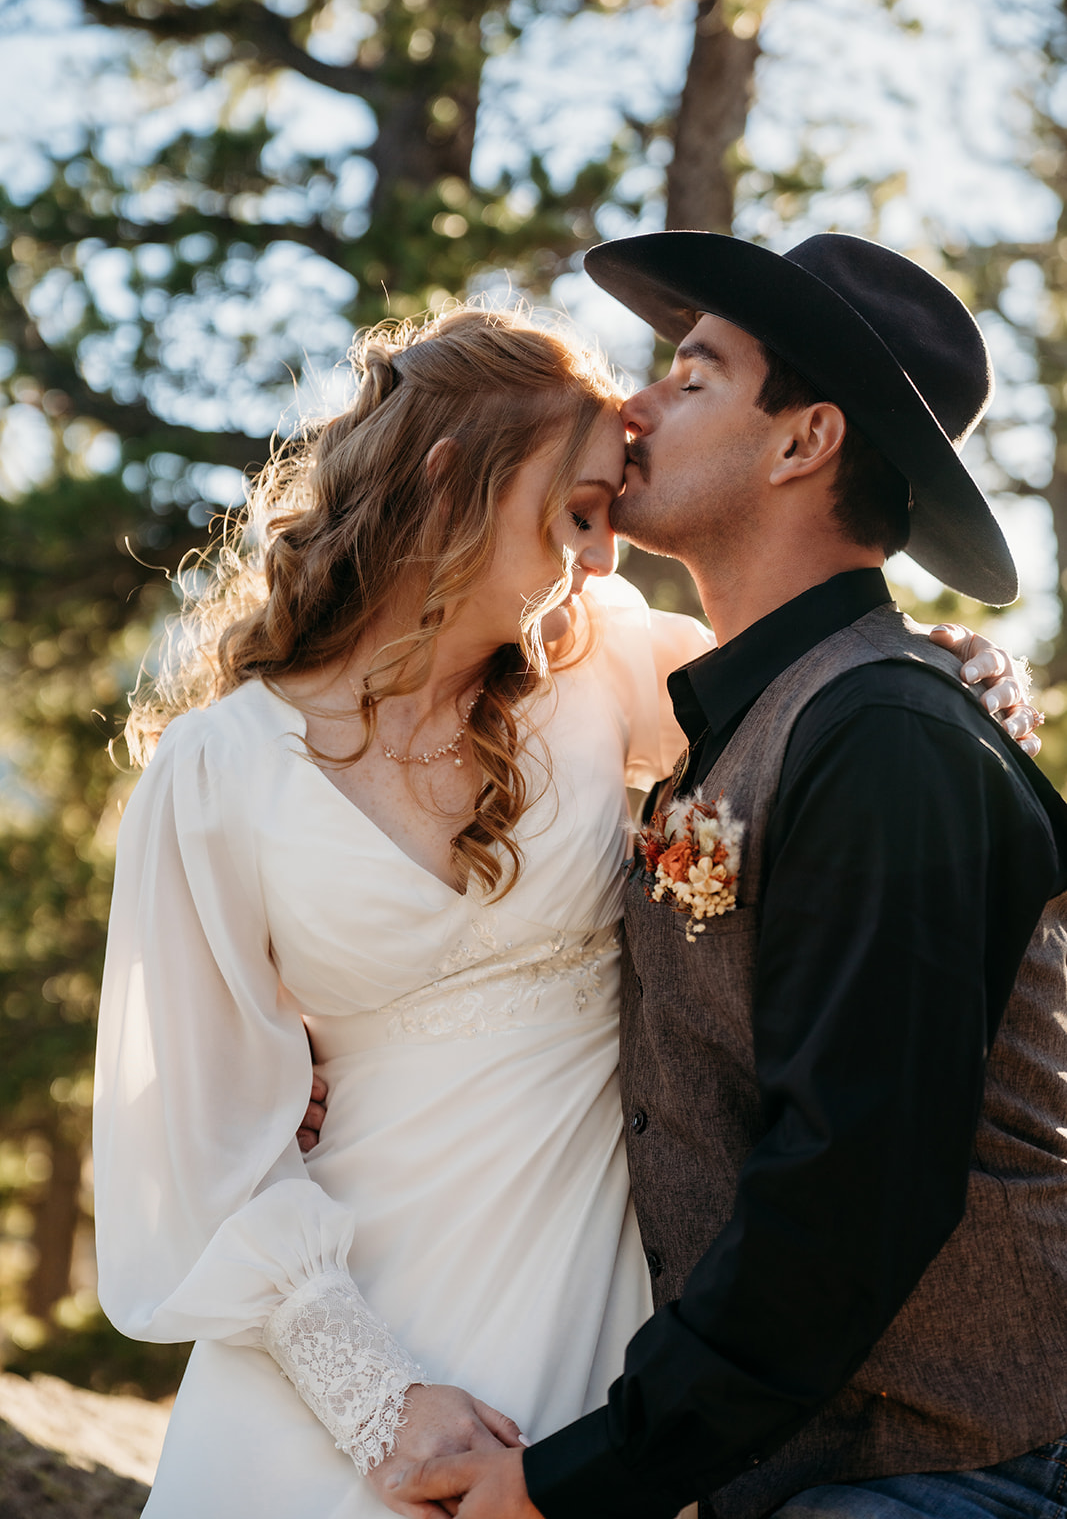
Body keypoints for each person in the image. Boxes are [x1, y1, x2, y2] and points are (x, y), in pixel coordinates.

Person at [93, 300, 1032, 1519]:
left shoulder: (601, 667)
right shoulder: (215, 772)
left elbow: (822, 693)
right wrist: (378, 1399)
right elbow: (208, 1145)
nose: (602, 555)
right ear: (450, 481)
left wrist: (966, 661)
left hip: (590, 1329)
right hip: (344, 1325)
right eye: (580, 512)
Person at [388, 234, 1067, 1519]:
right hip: (811, 1468)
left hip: (963, 1473)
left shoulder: (888, 739)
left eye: (692, 378)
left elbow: (848, 1184)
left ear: (803, 441)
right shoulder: (747, 717)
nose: (629, 410)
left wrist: (571, 1482)